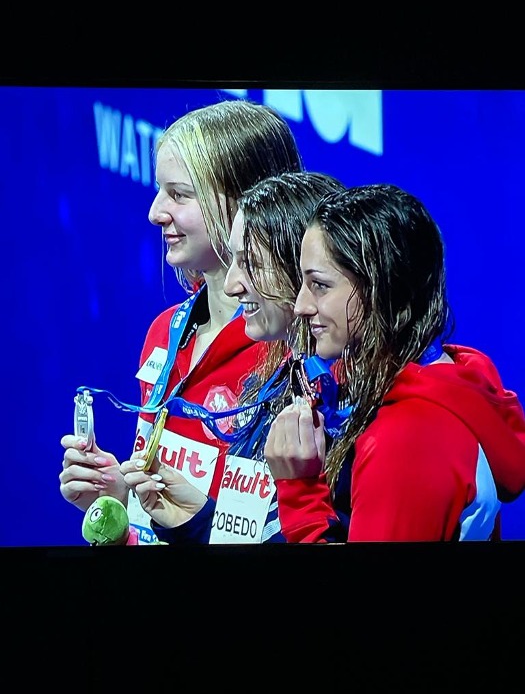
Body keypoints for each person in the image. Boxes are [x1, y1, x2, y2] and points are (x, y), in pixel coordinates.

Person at [59, 99, 304, 544]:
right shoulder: (164, 332)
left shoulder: (297, 353)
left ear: (247, 202)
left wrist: (193, 523)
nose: (155, 212)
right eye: (160, 190)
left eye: (179, 194)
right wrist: (121, 499)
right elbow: (167, 522)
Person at [264, 183, 525, 542]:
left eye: (320, 285)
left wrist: (301, 494)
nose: (301, 306)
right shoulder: (449, 381)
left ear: (382, 287)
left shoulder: (408, 440)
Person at [119, 170, 346, 543]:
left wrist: (301, 491)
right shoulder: (276, 385)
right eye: (233, 260)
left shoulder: (352, 413)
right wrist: (195, 520)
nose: (230, 285)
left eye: (250, 263)